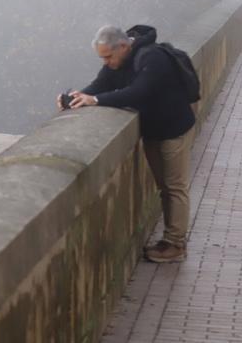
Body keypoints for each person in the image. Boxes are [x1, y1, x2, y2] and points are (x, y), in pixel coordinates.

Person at [58, 25, 195, 263]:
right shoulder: (117, 62)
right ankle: (170, 241)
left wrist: (95, 100)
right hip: (152, 129)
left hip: (173, 128)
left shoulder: (152, 57)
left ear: (123, 46)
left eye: (108, 56)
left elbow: (138, 92)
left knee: (175, 187)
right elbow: (98, 86)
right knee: (164, 187)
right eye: (102, 57)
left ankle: (176, 244)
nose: (106, 62)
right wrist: (76, 98)